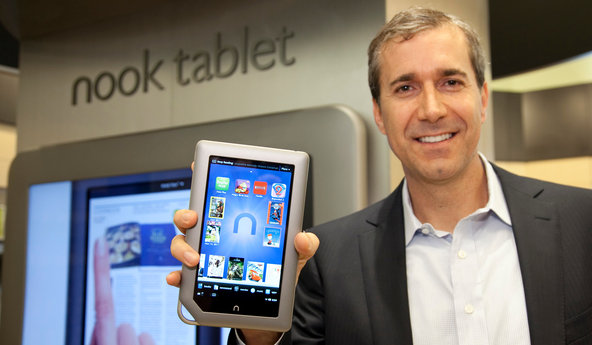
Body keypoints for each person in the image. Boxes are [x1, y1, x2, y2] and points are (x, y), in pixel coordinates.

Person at [167, 7, 592, 345]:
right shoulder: (325, 262)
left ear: (482, 97)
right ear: (379, 114)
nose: (431, 110)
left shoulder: (582, 222)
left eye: (450, 82)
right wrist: (260, 330)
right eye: (405, 87)